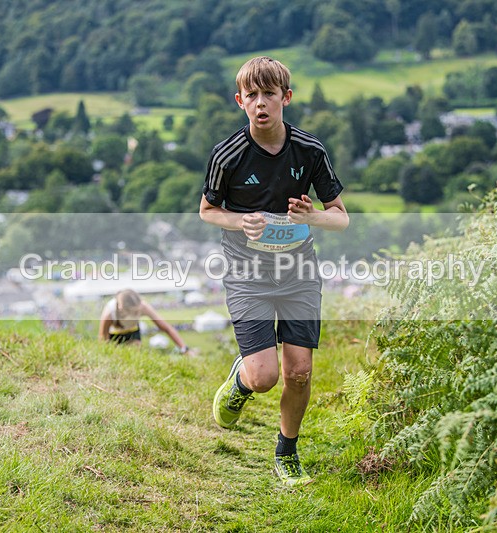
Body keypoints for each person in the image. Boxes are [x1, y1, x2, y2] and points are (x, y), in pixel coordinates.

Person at [199, 56, 348, 486]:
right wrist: (239, 221)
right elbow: (208, 211)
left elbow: (341, 218)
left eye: (269, 94)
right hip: (247, 274)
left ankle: (287, 452)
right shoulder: (227, 155)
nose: (260, 103)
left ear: (286, 97)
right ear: (240, 101)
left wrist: (313, 216)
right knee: (264, 377)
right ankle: (241, 381)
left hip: (299, 272)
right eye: (252, 95)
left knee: (299, 372)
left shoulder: (310, 150)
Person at [98, 289, 190, 354]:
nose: (136, 315)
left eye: (137, 312)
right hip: (114, 334)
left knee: (135, 351)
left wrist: (185, 349)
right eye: (133, 313)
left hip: (132, 332)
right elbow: (103, 338)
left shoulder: (142, 306)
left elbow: (166, 328)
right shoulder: (110, 312)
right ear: (122, 309)